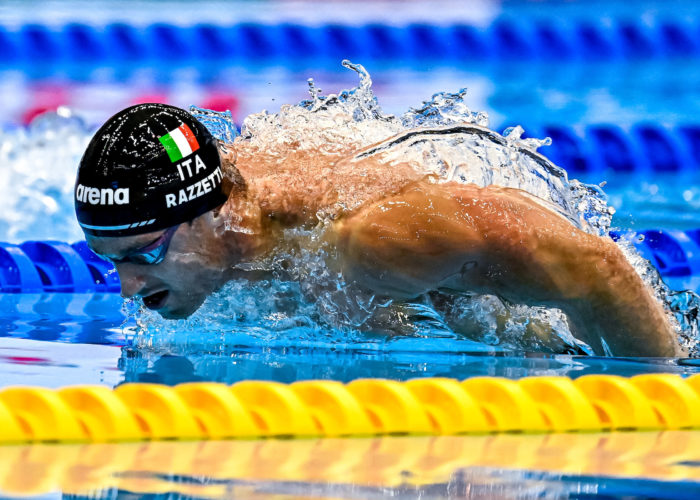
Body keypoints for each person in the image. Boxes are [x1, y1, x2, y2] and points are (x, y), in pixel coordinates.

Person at [75, 103, 684, 357]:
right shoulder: (232, 220)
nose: (128, 288)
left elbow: (600, 270)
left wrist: (657, 406)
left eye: (145, 253)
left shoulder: (371, 241)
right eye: (110, 262)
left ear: (212, 212)